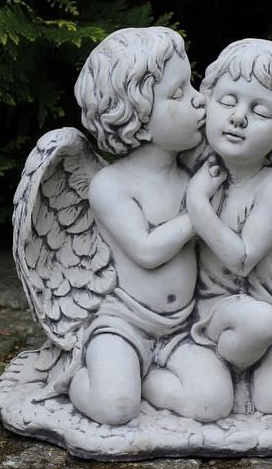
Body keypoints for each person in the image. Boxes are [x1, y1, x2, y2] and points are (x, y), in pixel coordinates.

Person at [70, 27, 234, 425]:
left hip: (182, 328)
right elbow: (145, 250)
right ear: (137, 119)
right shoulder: (111, 185)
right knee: (114, 408)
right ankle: (75, 380)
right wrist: (198, 212)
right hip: (123, 323)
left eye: (192, 84)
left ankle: (144, 383)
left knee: (213, 404)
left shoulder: (192, 174)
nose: (199, 98)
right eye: (178, 93)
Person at [186, 38, 272, 417]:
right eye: (227, 101)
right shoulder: (195, 169)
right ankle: (229, 377)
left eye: (260, 111)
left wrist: (197, 203)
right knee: (210, 389)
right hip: (213, 310)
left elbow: (241, 260)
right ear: (207, 102)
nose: (238, 118)